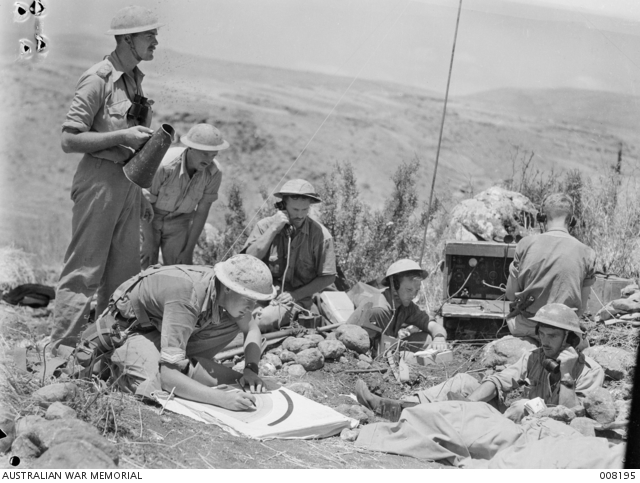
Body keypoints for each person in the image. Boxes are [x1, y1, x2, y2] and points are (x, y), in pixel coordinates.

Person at [50, 6, 162, 354]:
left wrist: (140, 191)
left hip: (127, 183)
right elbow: (69, 140)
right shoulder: (98, 78)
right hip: (99, 180)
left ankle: (103, 348)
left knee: (124, 275)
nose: (156, 41)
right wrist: (121, 137)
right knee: (85, 270)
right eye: (149, 35)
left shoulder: (134, 79)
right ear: (128, 40)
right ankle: (61, 351)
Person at [356, 303, 604, 422]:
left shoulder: (590, 372)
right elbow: (499, 379)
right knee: (465, 381)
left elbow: (573, 418)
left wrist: (567, 376)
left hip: (543, 430)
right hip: (513, 420)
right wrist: (471, 402)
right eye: (542, 334)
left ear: (569, 339)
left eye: (553, 336)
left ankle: (432, 418)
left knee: (522, 405)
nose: (545, 341)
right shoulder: (535, 356)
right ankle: (402, 408)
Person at [90, 254, 276, 409]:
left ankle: (179, 363)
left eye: (256, 302)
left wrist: (251, 369)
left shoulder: (224, 293)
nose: (252, 308)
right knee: (153, 387)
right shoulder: (187, 298)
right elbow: (169, 378)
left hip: (164, 326)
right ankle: (112, 363)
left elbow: (252, 329)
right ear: (228, 288)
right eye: (248, 300)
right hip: (132, 329)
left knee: (235, 320)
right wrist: (223, 400)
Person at [242, 179, 337, 332]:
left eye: (304, 210)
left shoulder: (320, 235)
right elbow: (248, 260)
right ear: (283, 206)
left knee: (259, 321)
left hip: (294, 301)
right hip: (260, 296)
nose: (300, 215)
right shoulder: (265, 226)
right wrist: (274, 229)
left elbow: (328, 276)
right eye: (295, 210)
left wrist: (294, 295)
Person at [506, 193, 596, 344]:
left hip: (528, 327)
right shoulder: (587, 252)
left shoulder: (525, 244)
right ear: (572, 220)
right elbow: (581, 309)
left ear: (542, 218)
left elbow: (510, 294)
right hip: (564, 332)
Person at [140, 124, 229, 268]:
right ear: (190, 148)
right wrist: (149, 242)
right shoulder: (164, 164)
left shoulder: (214, 173)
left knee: (179, 269)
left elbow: (202, 212)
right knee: (143, 265)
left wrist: (188, 250)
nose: (209, 159)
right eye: (205, 153)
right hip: (150, 217)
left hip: (180, 223)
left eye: (213, 155)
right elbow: (144, 202)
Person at [350, 259, 447, 352]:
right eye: (409, 290)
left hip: (386, 347)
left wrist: (439, 337)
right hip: (363, 353)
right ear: (394, 284)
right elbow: (377, 352)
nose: (413, 295)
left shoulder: (405, 305)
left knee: (427, 339)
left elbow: (431, 324)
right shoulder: (379, 309)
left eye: (416, 291)